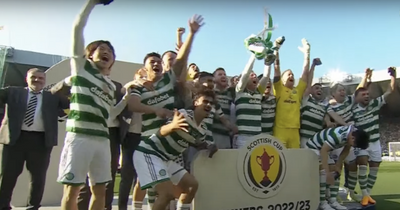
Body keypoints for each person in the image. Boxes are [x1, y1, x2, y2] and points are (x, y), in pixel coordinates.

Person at [128, 14, 204, 210]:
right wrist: (156, 110)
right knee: (162, 194)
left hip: (168, 150)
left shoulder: (167, 81)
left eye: (158, 62)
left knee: (191, 186)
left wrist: (192, 34)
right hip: (150, 145)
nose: (156, 64)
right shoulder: (138, 86)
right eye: (152, 62)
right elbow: (133, 105)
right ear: (144, 68)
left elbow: (181, 60)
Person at [56, 0, 118, 209]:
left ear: (112, 61)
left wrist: (126, 99)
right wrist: (92, 3)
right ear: (90, 54)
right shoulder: (81, 68)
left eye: (110, 50)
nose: (106, 51)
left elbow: (109, 115)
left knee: (100, 191)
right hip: (79, 138)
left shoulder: (110, 85)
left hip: (103, 141)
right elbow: (77, 27)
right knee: (72, 190)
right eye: (101, 48)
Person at [134, 88, 217, 210]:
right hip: (150, 153)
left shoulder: (202, 129)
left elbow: (196, 142)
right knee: (166, 194)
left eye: (211, 103)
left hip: (166, 160)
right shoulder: (183, 115)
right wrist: (172, 126)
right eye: (205, 101)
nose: (209, 105)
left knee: (191, 186)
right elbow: (161, 132)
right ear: (195, 103)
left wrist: (209, 147)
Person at [0, 68, 69, 210]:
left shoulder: (53, 96)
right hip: (15, 140)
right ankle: (2, 205)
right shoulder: (13, 92)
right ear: (27, 78)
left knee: (38, 178)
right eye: (33, 77)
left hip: (41, 142)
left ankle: (33, 206)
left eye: (40, 78)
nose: (37, 80)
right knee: (7, 176)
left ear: (45, 81)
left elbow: (70, 104)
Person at [77, 80, 130, 210]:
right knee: (85, 178)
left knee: (108, 177)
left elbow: (118, 111)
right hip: (89, 132)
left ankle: (106, 207)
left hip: (111, 135)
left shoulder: (117, 88)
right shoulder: (86, 85)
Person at [352, 67, 396, 206]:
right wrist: (366, 78)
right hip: (362, 142)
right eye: (363, 94)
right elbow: (357, 91)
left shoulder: (374, 104)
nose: (366, 96)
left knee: (375, 168)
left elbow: (390, 91)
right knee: (363, 163)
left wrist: (393, 76)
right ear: (359, 97)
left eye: (367, 94)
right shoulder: (354, 108)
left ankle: (367, 195)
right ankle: (364, 194)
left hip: (375, 141)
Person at [327, 69, 371, 202]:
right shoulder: (329, 106)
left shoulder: (348, 101)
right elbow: (327, 118)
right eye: (339, 90)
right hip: (339, 140)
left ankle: (350, 192)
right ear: (333, 93)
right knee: (337, 167)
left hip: (352, 138)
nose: (342, 91)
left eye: (343, 89)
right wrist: (337, 123)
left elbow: (358, 90)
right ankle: (332, 195)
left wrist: (365, 77)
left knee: (352, 166)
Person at [305, 125, 369, 210]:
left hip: (323, 149)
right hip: (312, 148)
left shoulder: (353, 133)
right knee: (324, 172)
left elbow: (346, 150)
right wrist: (327, 173)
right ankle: (322, 203)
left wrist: (338, 165)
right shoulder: (338, 136)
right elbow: (323, 150)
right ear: (353, 138)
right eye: (354, 145)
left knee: (335, 171)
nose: (353, 146)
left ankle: (332, 201)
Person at [234, 36, 275, 148]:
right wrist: (254, 54)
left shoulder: (258, 92)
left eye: (255, 75)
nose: (254, 76)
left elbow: (266, 76)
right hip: (242, 137)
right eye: (251, 75)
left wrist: (268, 62)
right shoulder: (239, 91)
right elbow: (246, 72)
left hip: (258, 137)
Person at [273, 37, 310, 149]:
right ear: (282, 79)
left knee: (294, 161)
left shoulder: (297, 91)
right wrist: (276, 50)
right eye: (288, 74)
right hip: (280, 130)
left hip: (295, 131)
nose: (291, 76)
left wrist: (307, 54)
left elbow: (305, 73)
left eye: (292, 74)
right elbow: (276, 68)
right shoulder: (279, 89)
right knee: (280, 161)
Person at [213, 68, 236, 148]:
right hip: (214, 135)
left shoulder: (230, 94)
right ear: (214, 79)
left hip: (226, 137)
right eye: (220, 74)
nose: (223, 76)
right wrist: (225, 122)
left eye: (224, 74)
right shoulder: (212, 93)